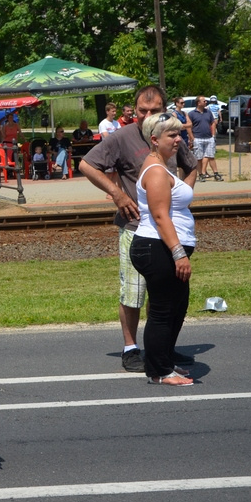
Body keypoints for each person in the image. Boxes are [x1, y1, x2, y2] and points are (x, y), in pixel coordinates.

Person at [79, 85, 198, 374]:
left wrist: (181, 198)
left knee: (164, 295)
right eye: (142, 111)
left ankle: (162, 350)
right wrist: (118, 194)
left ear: (163, 109)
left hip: (168, 231)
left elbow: (191, 166)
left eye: (154, 110)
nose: (147, 115)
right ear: (132, 111)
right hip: (136, 227)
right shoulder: (122, 137)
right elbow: (86, 164)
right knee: (133, 293)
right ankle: (131, 347)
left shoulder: (168, 135)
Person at [129, 113, 197, 386]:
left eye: (179, 133)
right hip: (157, 248)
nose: (178, 139)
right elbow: (160, 216)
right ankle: (159, 371)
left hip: (163, 247)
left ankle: (165, 363)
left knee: (177, 306)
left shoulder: (162, 167)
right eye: (172, 135)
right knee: (163, 310)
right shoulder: (156, 171)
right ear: (155, 140)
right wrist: (178, 253)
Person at [189, 96, 223, 182]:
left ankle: (216, 173)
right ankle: (201, 174)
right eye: (204, 101)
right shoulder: (192, 114)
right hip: (198, 138)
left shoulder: (208, 112)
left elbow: (213, 123)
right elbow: (189, 127)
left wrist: (213, 135)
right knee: (199, 157)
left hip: (209, 138)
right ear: (198, 103)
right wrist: (192, 138)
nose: (206, 102)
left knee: (211, 156)